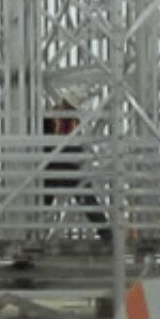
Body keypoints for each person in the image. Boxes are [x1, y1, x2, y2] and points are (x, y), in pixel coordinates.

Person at [42, 99, 111, 244]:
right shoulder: (51, 120)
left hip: (59, 167)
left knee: (84, 196)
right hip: (54, 166)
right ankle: (106, 234)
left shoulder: (66, 120)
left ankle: (106, 234)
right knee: (84, 196)